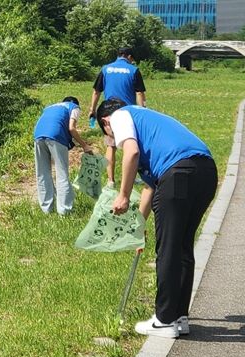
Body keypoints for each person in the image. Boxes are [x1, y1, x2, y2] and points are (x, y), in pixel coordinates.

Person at [97, 99, 217, 338]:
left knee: (168, 249)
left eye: (109, 137)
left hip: (178, 173)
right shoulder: (149, 120)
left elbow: (130, 153)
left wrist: (122, 195)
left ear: (105, 122)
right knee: (182, 246)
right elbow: (152, 187)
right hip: (206, 173)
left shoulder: (120, 116)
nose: (115, 142)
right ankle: (179, 317)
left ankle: (164, 320)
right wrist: (139, 224)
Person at [89, 48, 147, 187]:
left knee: (111, 146)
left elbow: (96, 91)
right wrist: (143, 110)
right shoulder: (133, 70)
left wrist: (93, 109)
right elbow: (139, 93)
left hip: (109, 112)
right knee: (133, 146)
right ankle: (132, 178)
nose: (132, 61)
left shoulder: (105, 69)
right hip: (128, 113)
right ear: (129, 56)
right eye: (132, 58)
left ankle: (110, 181)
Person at [33, 96, 93, 216]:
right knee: (61, 173)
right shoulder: (74, 107)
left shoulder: (50, 107)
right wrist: (84, 145)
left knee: (42, 173)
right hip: (56, 136)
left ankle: (46, 210)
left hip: (38, 135)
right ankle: (64, 210)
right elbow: (71, 128)